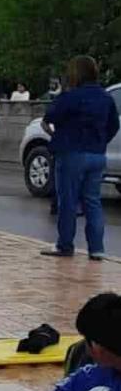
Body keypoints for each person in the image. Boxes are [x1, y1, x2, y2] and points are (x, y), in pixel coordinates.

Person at [41, 55, 120, 261]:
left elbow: (48, 119)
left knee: (68, 200)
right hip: (97, 155)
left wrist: (56, 136)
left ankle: (65, 245)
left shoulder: (70, 97)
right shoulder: (105, 98)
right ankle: (97, 249)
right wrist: (100, 142)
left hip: (71, 153)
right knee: (93, 201)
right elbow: (113, 126)